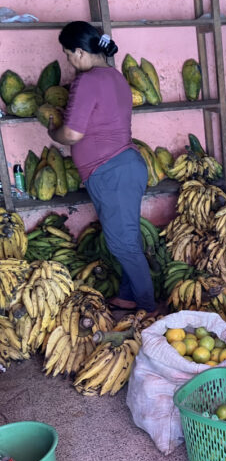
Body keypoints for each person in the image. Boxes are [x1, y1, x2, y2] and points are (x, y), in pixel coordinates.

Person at [47, 20, 156, 314]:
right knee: (126, 238)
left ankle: (148, 309)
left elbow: (71, 134)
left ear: (80, 52)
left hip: (111, 171)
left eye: (68, 54)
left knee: (123, 244)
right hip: (123, 166)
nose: (69, 61)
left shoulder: (88, 80)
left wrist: (51, 131)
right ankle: (128, 296)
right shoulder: (115, 76)